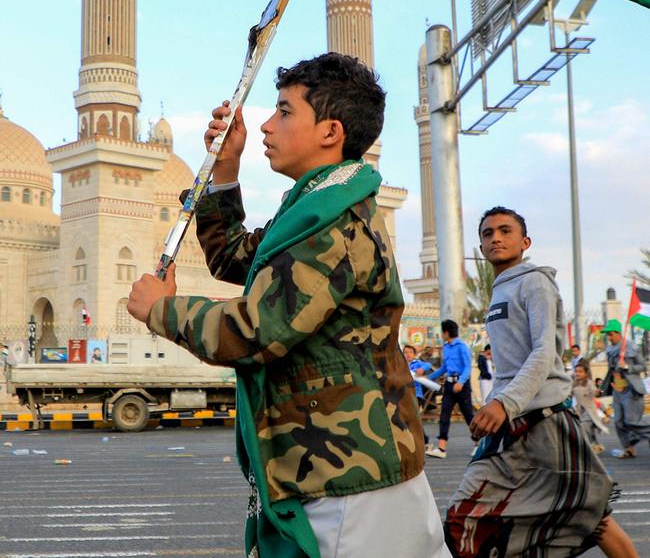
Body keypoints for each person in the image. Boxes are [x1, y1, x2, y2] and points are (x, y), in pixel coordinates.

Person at [127, 53, 451, 558]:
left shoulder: (332, 222)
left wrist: (163, 310)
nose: (266, 124)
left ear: (330, 131)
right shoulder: (315, 206)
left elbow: (256, 331)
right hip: (335, 468)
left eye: (283, 111)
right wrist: (227, 168)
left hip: (349, 479)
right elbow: (235, 259)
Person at [444, 206, 638, 558]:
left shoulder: (534, 281)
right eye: (488, 234)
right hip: (509, 424)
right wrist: (496, 408)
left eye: (505, 231)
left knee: (591, 515)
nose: (496, 238)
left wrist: (503, 402)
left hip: (544, 420)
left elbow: (543, 354)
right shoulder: (499, 291)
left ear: (525, 241)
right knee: (463, 520)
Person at [601, 318, 650, 459]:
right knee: (619, 422)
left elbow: (643, 366)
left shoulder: (631, 346)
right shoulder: (610, 349)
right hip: (617, 389)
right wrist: (604, 388)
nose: (608, 337)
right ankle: (629, 448)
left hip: (631, 389)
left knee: (632, 422)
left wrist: (628, 367)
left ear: (618, 333)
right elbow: (610, 371)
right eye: (607, 334)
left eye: (610, 334)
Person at [425, 320, 474, 460]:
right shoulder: (446, 347)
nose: (441, 335)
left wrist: (461, 382)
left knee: (468, 415)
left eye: (442, 332)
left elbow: (468, 367)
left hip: (462, 386)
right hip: (449, 385)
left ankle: (479, 443)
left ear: (446, 332)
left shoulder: (462, 347)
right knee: (444, 415)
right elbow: (444, 368)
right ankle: (441, 448)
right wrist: (430, 377)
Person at [403, 343, 438, 446]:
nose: (408, 354)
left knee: (413, 417)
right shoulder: (400, 364)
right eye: (405, 352)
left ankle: (424, 440)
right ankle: (417, 440)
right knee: (409, 418)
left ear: (414, 354)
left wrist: (421, 369)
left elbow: (428, 365)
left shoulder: (417, 363)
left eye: (410, 352)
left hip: (416, 395)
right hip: (403, 395)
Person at [573, 358, 608, 453]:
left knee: (584, 426)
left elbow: (594, 393)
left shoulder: (588, 383)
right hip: (580, 411)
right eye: (576, 371)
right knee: (589, 429)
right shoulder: (574, 383)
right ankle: (596, 445)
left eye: (580, 372)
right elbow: (569, 394)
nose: (578, 373)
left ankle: (589, 447)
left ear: (585, 373)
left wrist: (598, 392)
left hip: (590, 411)